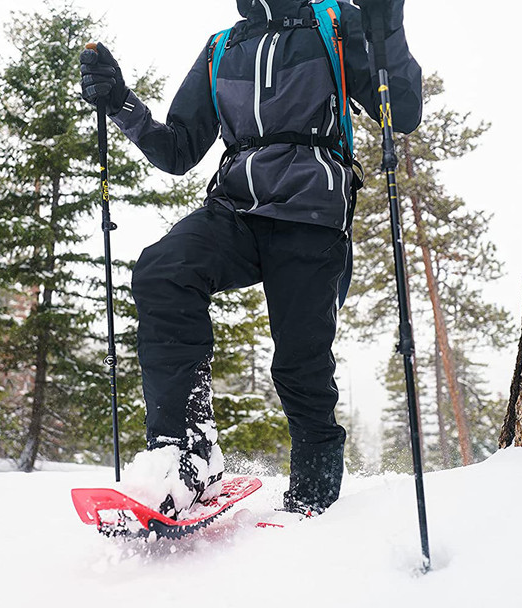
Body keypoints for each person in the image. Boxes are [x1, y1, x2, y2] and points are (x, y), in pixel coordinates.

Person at [80, 0, 422, 518]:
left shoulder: (334, 22)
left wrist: (387, 27)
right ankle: (184, 457)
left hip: (313, 213)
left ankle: (314, 499)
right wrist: (122, 103)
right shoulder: (224, 46)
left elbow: (403, 108)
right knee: (163, 271)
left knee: (299, 363)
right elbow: (177, 150)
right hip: (235, 210)